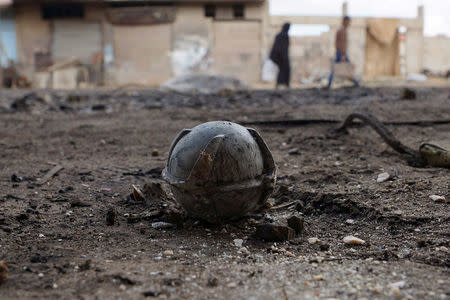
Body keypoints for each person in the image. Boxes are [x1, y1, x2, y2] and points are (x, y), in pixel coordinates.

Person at [327, 16, 360, 88]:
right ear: (344, 21)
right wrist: (342, 54)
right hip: (341, 52)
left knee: (337, 67)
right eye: (348, 21)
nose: (349, 23)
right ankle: (356, 83)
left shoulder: (342, 30)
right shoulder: (341, 31)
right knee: (346, 67)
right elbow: (340, 43)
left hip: (341, 52)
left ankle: (356, 83)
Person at [270, 23, 291, 88]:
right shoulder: (284, 35)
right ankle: (285, 84)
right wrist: (284, 58)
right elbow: (283, 48)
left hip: (276, 56)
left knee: (282, 69)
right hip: (280, 56)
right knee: (286, 69)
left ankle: (280, 84)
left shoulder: (279, 35)